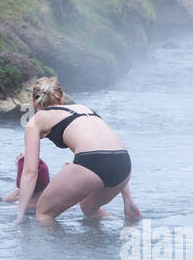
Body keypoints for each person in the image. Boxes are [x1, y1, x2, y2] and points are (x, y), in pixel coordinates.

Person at [16, 77, 141, 226]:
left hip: (93, 162)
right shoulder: (85, 109)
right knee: (89, 208)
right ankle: (128, 227)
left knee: (43, 214)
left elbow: (30, 172)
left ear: (34, 102)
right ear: (62, 98)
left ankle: (56, 250)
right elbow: (110, 151)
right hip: (123, 163)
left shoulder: (36, 120)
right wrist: (128, 201)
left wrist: (20, 215)